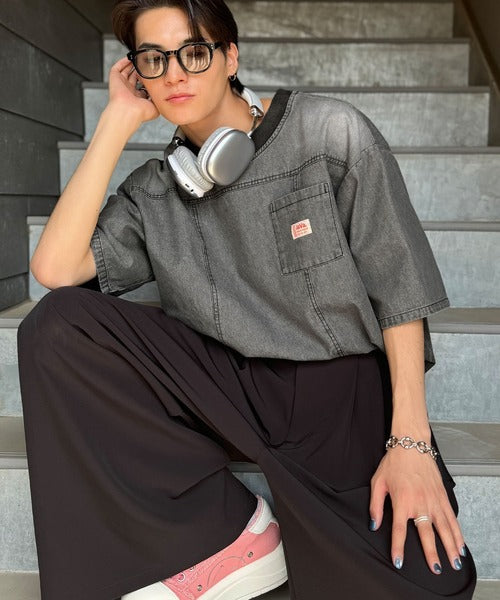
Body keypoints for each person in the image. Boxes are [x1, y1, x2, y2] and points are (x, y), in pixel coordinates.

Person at [17, 1, 477, 599]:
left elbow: (400, 289)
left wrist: (410, 441)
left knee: (428, 586)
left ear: (230, 56)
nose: (174, 74)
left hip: (336, 393)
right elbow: (54, 269)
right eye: (154, 60)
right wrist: (116, 120)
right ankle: (223, 539)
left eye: (193, 53)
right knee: (55, 326)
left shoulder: (329, 133)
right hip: (227, 388)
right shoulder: (154, 192)